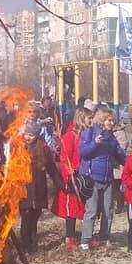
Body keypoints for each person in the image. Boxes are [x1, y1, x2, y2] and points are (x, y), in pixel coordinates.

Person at [77, 106, 125, 249]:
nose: (111, 123)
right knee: (91, 210)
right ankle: (85, 240)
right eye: (109, 120)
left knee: (108, 209)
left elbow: (119, 154)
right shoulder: (90, 133)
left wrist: (131, 163)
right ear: (102, 120)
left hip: (108, 177)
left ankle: (104, 237)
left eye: (113, 121)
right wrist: (94, 143)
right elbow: (83, 152)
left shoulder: (111, 137)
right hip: (92, 177)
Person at [17, 121, 57, 252]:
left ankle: (32, 240)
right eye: (26, 134)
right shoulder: (19, 148)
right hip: (25, 188)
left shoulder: (43, 149)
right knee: (26, 216)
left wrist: (60, 184)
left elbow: (52, 169)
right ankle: (25, 244)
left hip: (39, 188)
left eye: (31, 135)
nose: (28, 137)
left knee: (35, 215)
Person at [53, 108, 90, 251]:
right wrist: (69, 175)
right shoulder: (70, 136)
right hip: (72, 176)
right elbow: (64, 157)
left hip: (84, 176)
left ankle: (87, 234)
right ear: (81, 118)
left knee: (85, 207)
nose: (91, 121)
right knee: (71, 208)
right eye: (88, 118)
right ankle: (70, 237)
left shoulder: (86, 135)